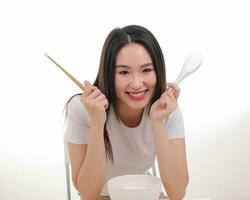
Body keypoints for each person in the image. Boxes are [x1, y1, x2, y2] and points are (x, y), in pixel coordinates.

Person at [64, 25, 189, 200]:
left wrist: (157, 123)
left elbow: (177, 194)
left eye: (146, 70)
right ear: (108, 73)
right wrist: (97, 124)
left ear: (158, 71)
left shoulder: (166, 110)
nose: (137, 83)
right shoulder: (82, 108)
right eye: (123, 72)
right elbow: (89, 193)